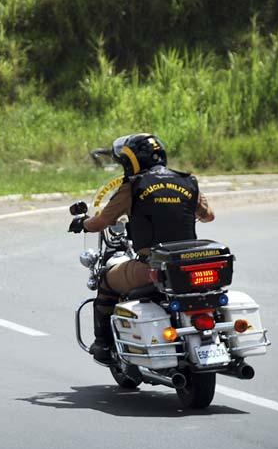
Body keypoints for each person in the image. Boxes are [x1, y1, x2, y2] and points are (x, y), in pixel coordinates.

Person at [69, 133, 215, 363]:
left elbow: (100, 222)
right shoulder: (188, 181)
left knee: (107, 279)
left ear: (131, 161)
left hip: (152, 267)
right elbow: (208, 216)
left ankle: (103, 344)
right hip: (189, 264)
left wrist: (82, 223)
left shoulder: (134, 186)